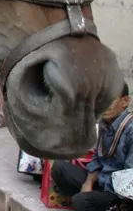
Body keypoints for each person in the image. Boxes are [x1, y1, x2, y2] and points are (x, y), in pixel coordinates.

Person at [52, 83, 132, 211]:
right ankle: (92, 199)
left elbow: (129, 178)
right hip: (101, 181)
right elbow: (98, 158)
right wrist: (88, 182)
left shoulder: (130, 130)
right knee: (59, 168)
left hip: (118, 193)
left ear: (125, 101)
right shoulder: (105, 123)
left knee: (80, 201)